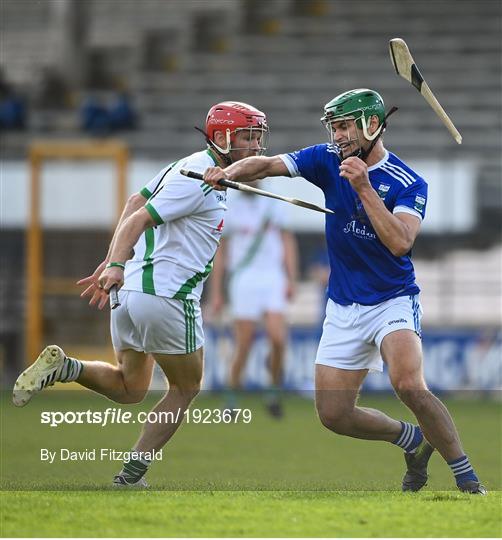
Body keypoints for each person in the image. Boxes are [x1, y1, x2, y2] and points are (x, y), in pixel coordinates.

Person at [202, 89, 486, 494]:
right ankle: (413, 441)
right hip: (343, 306)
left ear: (372, 125)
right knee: (333, 414)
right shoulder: (324, 159)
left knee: (408, 384)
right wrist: (227, 173)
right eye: (333, 127)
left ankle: (467, 477)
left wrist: (365, 189)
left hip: (392, 299)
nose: (337, 136)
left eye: (345, 126)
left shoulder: (408, 182)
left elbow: (401, 242)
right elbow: (267, 163)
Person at [12, 101, 269, 487]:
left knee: (130, 388)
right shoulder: (199, 177)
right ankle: (131, 476)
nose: (254, 146)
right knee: (187, 388)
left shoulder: (190, 164)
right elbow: (139, 216)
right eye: (247, 137)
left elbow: (135, 201)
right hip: (167, 296)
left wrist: (115, 260)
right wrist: (114, 262)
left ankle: (66, 367)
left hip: (130, 294)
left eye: (256, 137)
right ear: (221, 138)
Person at [209, 188, 298, 417]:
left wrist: (291, 278)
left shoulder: (274, 202)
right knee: (244, 342)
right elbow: (221, 253)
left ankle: (272, 391)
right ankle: (231, 396)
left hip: (272, 276)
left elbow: (287, 242)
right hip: (243, 277)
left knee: (278, 339)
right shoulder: (230, 207)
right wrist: (216, 292)